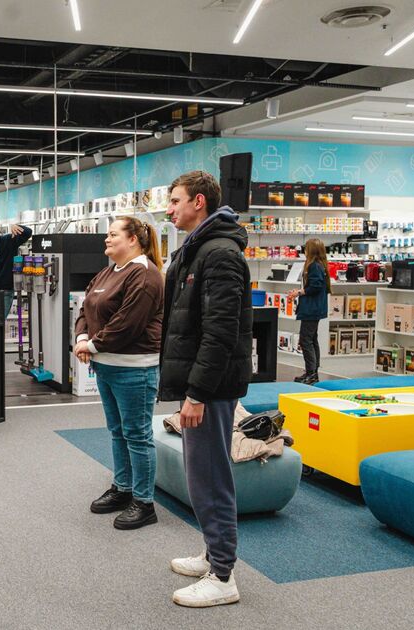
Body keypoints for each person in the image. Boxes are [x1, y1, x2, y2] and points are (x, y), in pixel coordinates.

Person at [160, 170, 252, 608]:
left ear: (199, 202)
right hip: (201, 382)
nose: (169, 209)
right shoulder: (199, 248)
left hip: (211, 387)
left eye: (175, 201)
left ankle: (223, 576)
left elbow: (220, 332)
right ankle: (214, 553)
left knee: (210, 478)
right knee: (202, 475)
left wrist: (196, 394)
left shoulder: (219, 254)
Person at [74, 217, 164, 530]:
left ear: (133, 240)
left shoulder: (146, 274)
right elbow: (86, 308)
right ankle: (123, 488)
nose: (107, 239)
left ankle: (144, 502)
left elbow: (127, 323)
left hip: (134, 369)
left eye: (113, 234)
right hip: (106, 366)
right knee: (117, 431)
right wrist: (82, 337)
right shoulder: (109, 271)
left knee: (137, 435)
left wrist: (91, 345)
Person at [288, 239, 330, 384]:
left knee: (305, 340)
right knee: (311, 339)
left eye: (306, 248)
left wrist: (299, 292)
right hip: (315, 308)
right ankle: (312, 372)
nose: (304, 251)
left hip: (312, 308)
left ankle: (311, 373)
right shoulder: (319, 265)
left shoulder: (314, 266)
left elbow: (315, 287)